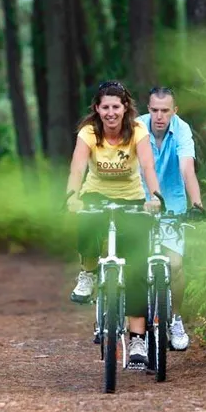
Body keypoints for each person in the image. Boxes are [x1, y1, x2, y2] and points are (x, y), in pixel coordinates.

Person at [66, 81, 163, 367]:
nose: (110, 113)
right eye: (105, 107)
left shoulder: (137, 132)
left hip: (131, 199)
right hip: (95, 195)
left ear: (125, 109)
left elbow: (147, 166)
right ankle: (88, 273)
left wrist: (154, 197)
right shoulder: (88, 133)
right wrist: (72, 197)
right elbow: (77, 167)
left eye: (116, 107)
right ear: (97, 108)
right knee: (86, 222)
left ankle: (136, 339)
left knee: (134, 269)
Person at [137, 86, 206, 351]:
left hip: (172, 205)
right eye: (154, 110)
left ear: (174, 111)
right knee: (137, 266)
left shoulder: (183, 130)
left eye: (165, 110)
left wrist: (196, 205)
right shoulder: (136, 128)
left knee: (175, 265)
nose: (159, 116)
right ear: (148, 109)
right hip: (140, 201)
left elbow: (187, 169)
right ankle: (138, 328)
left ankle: (176, 318)